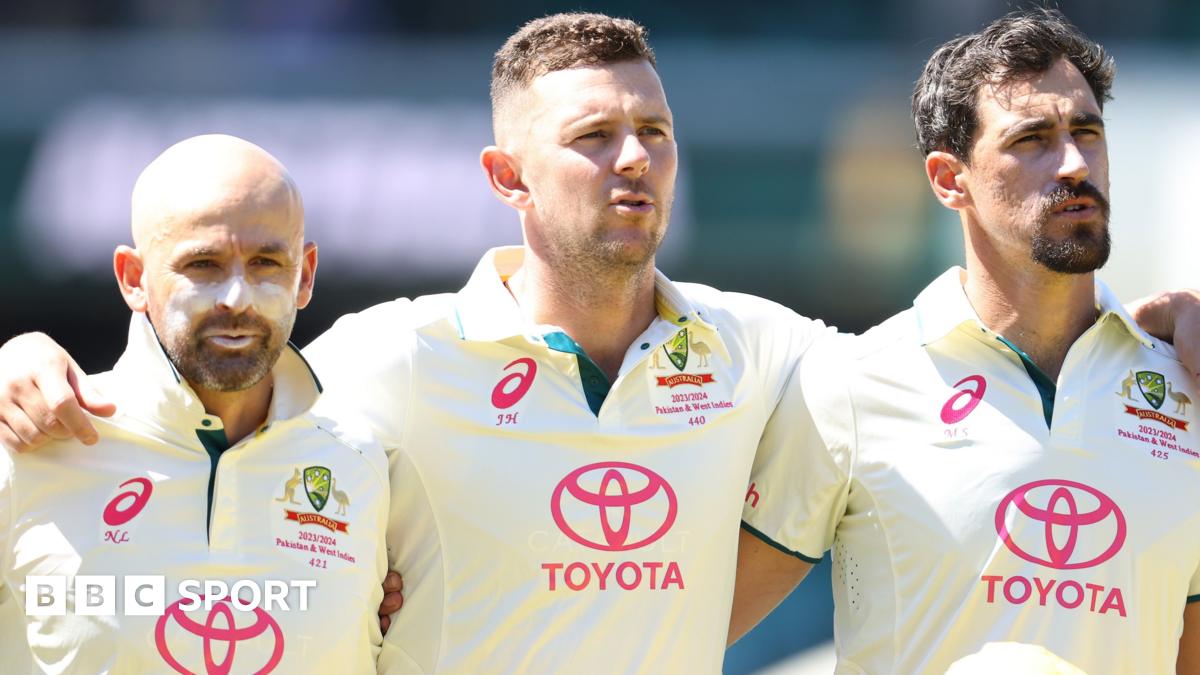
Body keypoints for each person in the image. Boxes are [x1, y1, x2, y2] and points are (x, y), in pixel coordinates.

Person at [2, 12, 1198, 674]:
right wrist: (27, 364)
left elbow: (979, 353)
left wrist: (1172, 323)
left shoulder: (772, 353)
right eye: (594, 136)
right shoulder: (389, 358)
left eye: (655, 130)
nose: (635, 159)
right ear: (504, 176)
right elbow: (199, 404)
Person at [734, 9, 1200, 673]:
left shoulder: (1184, 386)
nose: (1073, 163)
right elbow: (688, 633)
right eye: (1032, 140)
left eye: (1087, 132)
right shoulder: (851, 385)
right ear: (951, 180)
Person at [0, 135, 390, 672]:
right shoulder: (26, 442)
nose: (237, 297)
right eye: (203, 264)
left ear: (306, 274)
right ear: (133, 279)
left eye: (267, 262)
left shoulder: (368, 462)